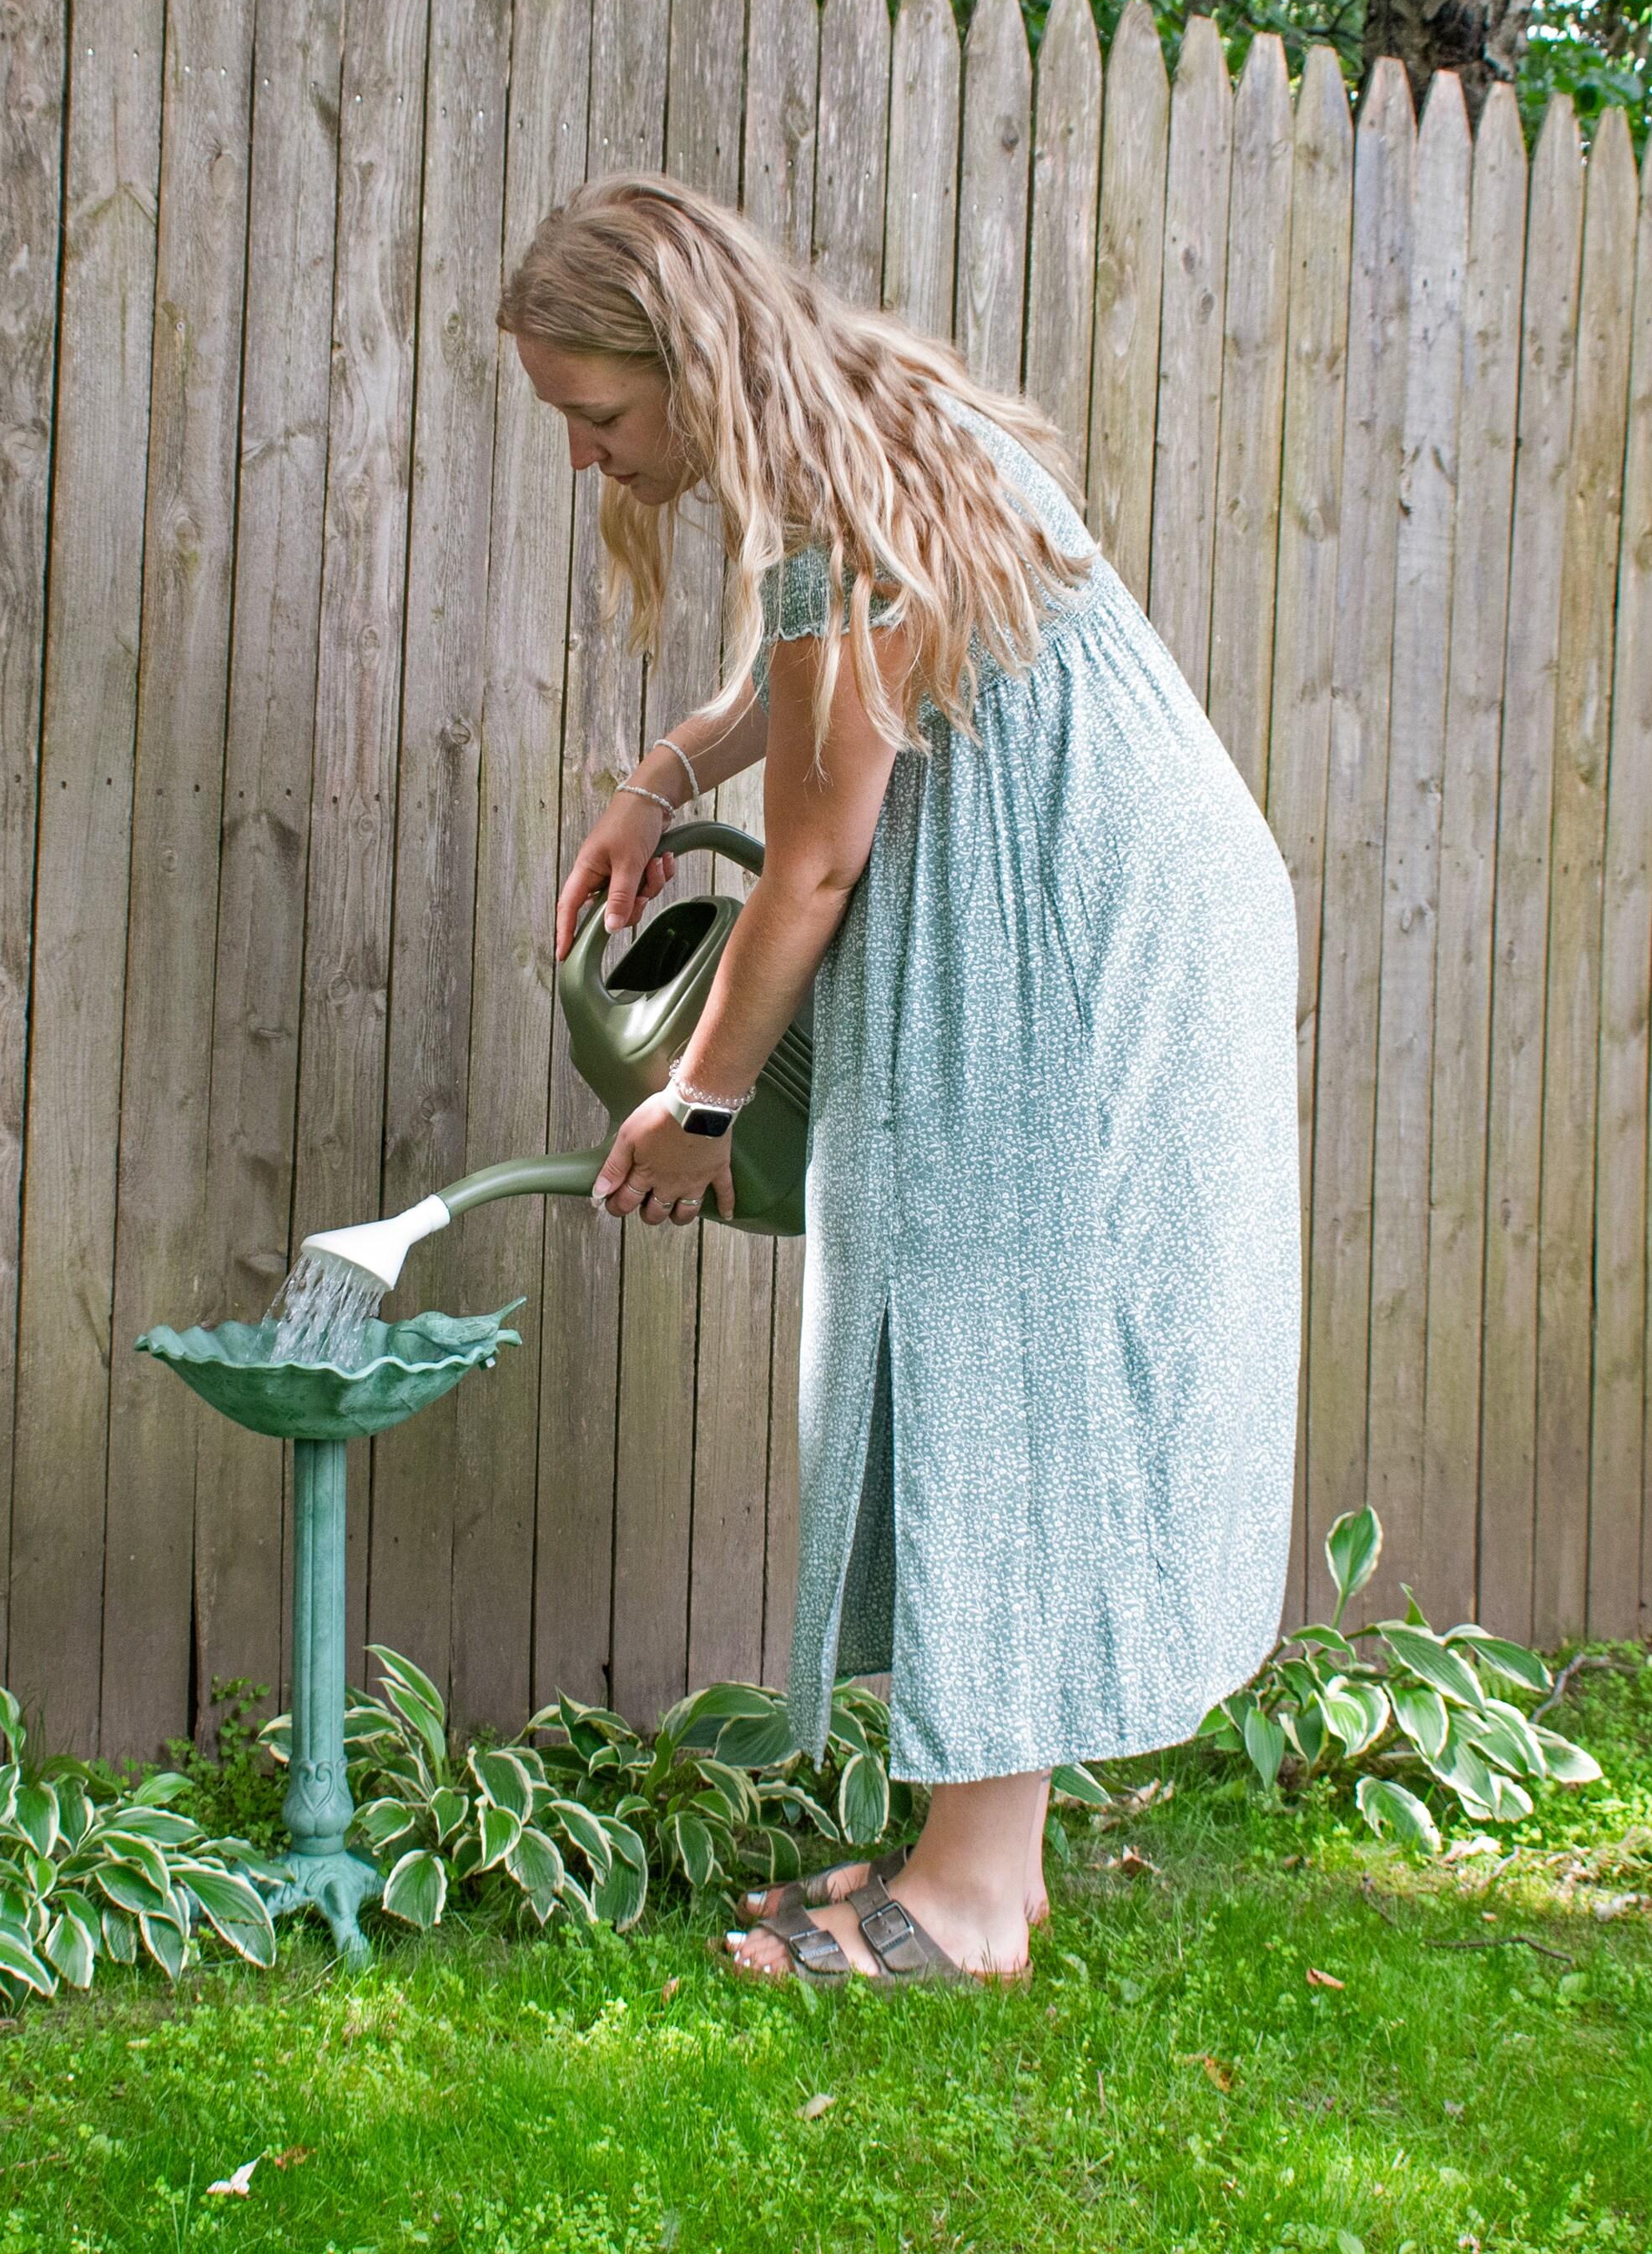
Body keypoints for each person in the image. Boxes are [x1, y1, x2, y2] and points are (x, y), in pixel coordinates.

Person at [499, 172, 1302, 1987]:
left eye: (599, 418)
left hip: (1076, 931)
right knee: (983, 1329)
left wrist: (698, 1107)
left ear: (691, 368)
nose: (585, 458)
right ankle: (972, 1858)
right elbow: (809, 697)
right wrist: (657, 772)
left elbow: (811, 860)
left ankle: (972, 1898)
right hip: (1119, 898)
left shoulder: (842, 506)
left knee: (985, 1332)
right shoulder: (876, 418)